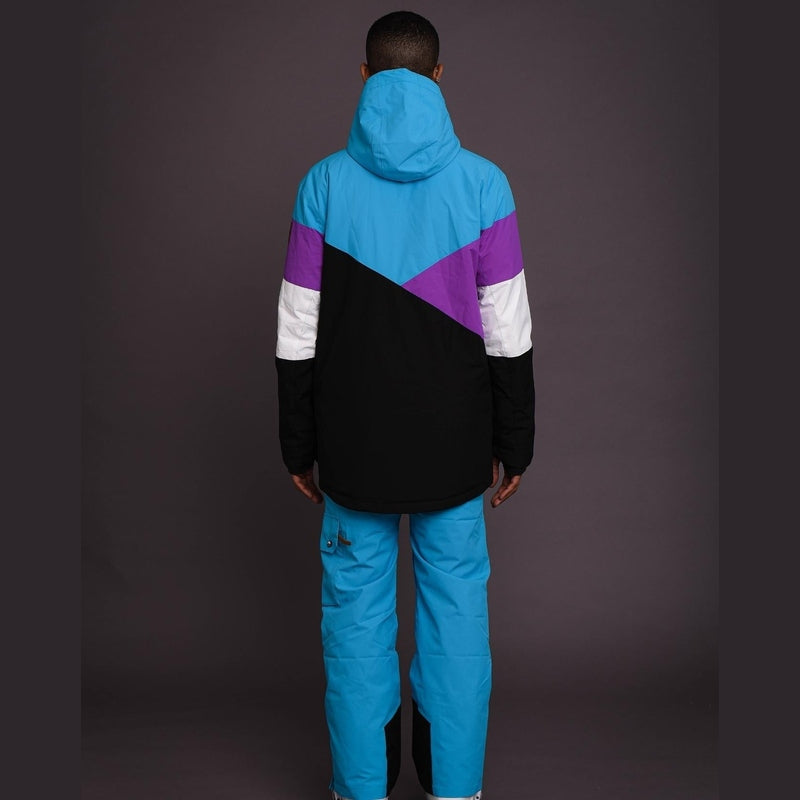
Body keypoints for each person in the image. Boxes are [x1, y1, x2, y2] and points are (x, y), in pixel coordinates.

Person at [275, 11, 535, 800]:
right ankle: (455, 790)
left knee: (355, 626)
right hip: (456, 447)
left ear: (364, 77)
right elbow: (508, 330)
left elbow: (296, 330)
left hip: (352, 450)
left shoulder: (322, 185)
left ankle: (362, 789)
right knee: (457, 622)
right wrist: (516, 443)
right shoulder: (485, 185)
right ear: (438, 77)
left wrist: (298, 446)